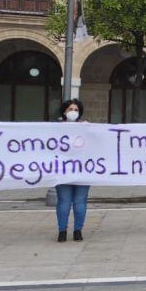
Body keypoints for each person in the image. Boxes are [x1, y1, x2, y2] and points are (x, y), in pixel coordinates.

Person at [55, 98, 90, 243]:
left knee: (78, 201)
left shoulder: (85, 127)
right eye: (70, 109)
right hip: (64, 170)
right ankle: (63, 231)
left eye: (76, 110)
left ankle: (77, 230)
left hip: (81, 170)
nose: (73, 112)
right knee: (65, 201)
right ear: (64, 111)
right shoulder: (55, 128)